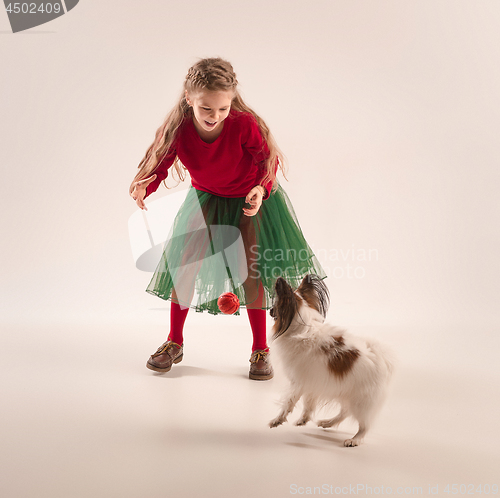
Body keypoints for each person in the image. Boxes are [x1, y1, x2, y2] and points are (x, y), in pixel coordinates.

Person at [129, 57, 326, 380]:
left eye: (223, 109)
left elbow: (267, 162)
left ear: (231, 101)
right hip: (207, 200)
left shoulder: (243, 123)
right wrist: (146, 185)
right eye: (207, 109)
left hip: (249, 201)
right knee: (184, 268)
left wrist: (261, 191)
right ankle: (174, 342)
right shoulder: (179, 128)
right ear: (189, 99)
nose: (215, 116)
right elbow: (163, 160)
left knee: (251, 272)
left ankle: (260, 349)